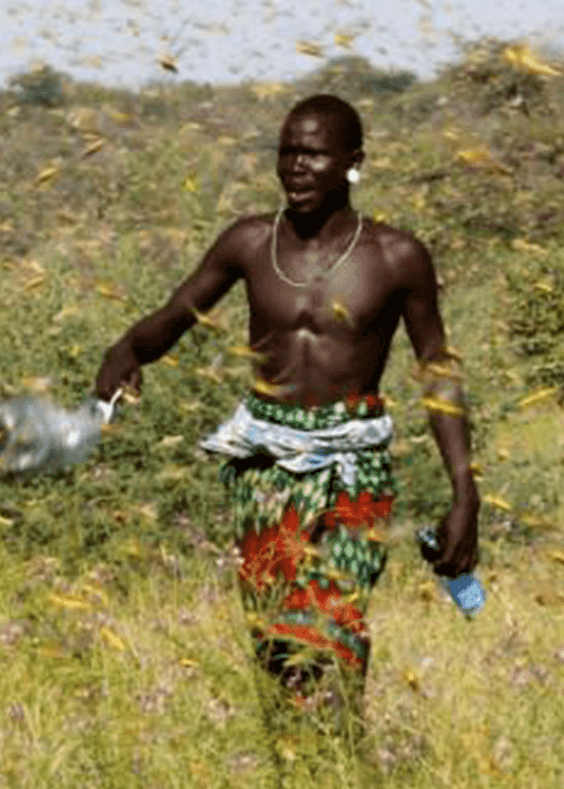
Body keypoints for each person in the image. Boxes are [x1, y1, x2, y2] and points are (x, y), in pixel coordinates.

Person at [93, 93, 479, 722]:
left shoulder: (395, 256)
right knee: (276, 637)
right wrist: (128, 348)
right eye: (287, 153)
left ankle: (344, 756)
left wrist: (465, 490)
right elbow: (176, 314)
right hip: (264, 464)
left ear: (352, 162)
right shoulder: (249, 243)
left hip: (353, 466)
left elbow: (437, 364)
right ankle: (292, 760)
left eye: (314, 154)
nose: (296, 167)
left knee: (335, 622)